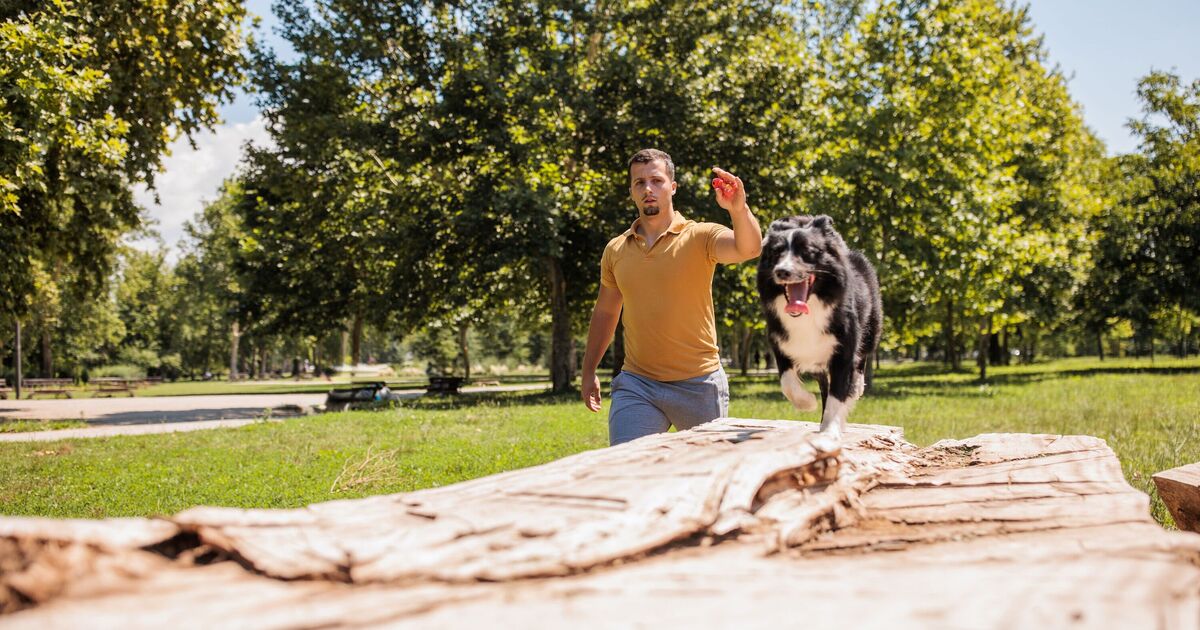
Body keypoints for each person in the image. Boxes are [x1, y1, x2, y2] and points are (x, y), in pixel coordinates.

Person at [580, 148, 762, 445]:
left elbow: (750, 248)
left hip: (699, 384)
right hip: (637, 384)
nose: (648, 189)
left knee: (706, 476)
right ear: (631, 192)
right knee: (628, 468)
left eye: (656, 180)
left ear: (672, 187)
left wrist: (738, 210)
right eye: (639, 183)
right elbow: (605, 312)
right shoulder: (616, 250)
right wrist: (588, 371)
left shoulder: (700, 236)